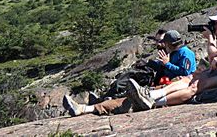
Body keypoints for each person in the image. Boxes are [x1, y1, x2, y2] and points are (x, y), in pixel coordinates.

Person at [62, 30, 191, 117]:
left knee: (126, 101)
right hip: (163, 84)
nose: (161, 45)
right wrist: (152, 63)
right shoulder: (173, 53)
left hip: (170, 86)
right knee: (128, 93)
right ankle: (92, 105)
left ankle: (89, 108)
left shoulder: (186, 54)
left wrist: (167, 64)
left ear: (169, 44)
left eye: (163, 43)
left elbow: (186, 72)